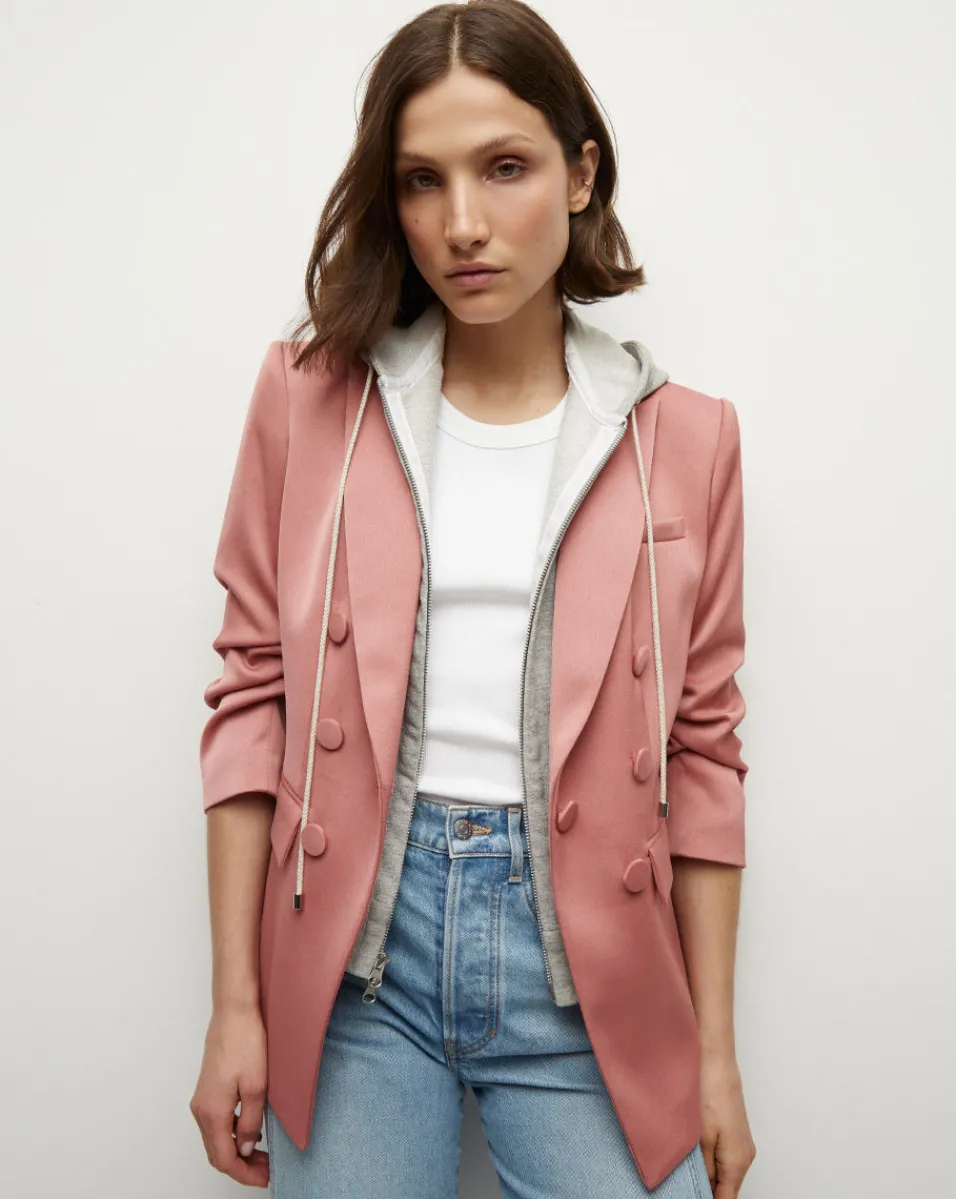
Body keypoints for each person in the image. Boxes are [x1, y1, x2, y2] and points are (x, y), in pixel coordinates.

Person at [189, 1, 757, 1195]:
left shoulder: (684, 441)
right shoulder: (308, 400)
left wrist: (713, 1053)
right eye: (420, 179)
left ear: (579, 173)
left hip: (587, 973)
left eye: (504, 167)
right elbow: (251, 697)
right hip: (357, 965)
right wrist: (233, 1004)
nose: (460, 224)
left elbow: (703, 756)